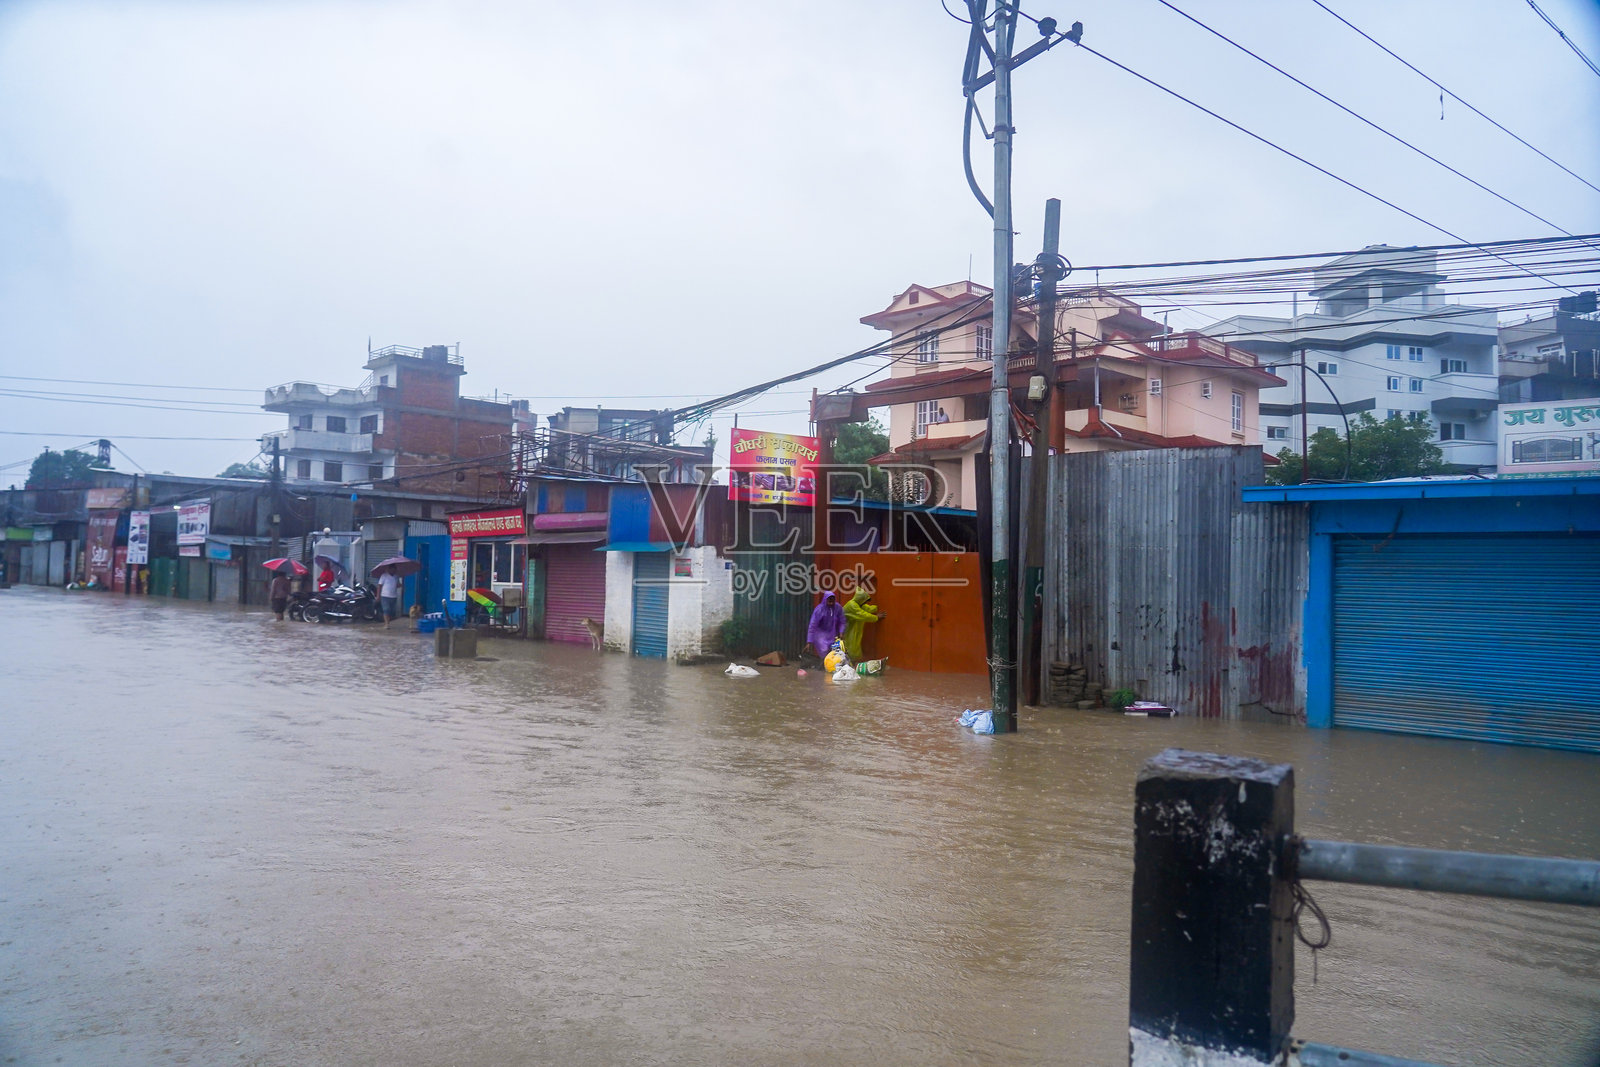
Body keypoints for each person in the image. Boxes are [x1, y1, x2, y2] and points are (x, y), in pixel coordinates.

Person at [841, 587, 884, 661]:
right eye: (864, 601)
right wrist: (876, 617)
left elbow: (866, 608)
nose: (865, 603)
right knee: (850, 646)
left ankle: (853, 662)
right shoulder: (852, 605)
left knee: (854, 645)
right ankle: (850, 663)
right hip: (846, 629)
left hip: (853, 628)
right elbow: (862, 614)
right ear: (860, 599)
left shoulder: (858, 604)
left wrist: (876, 608)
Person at [805, 591, 846, 659]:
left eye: (833, 600)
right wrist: (809, 641)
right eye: (829, 600)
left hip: (833, 634)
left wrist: (841, 631)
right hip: (820, 635)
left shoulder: (838, 607)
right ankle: (825, 664)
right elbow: (813, 625)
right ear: (825, 599)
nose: (831, 602)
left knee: (836, 651)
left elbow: (842, 621)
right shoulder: (819, 610)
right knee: (824, 650)